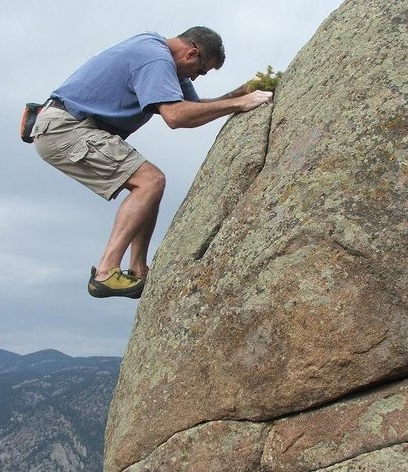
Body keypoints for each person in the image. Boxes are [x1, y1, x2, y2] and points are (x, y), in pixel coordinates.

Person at [31, 27, 273, 299]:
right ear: (192, 53)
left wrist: (240, 93)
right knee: (150, 181)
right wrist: (241, 103)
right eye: (201, 70)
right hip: (66, 129)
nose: (196, 77)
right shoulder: (155, 59)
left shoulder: (164, 58)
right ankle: (106, 272)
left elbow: (193, 108)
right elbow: (176, 116)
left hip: (69, 127)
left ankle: (137, 270)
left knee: (149, 186)